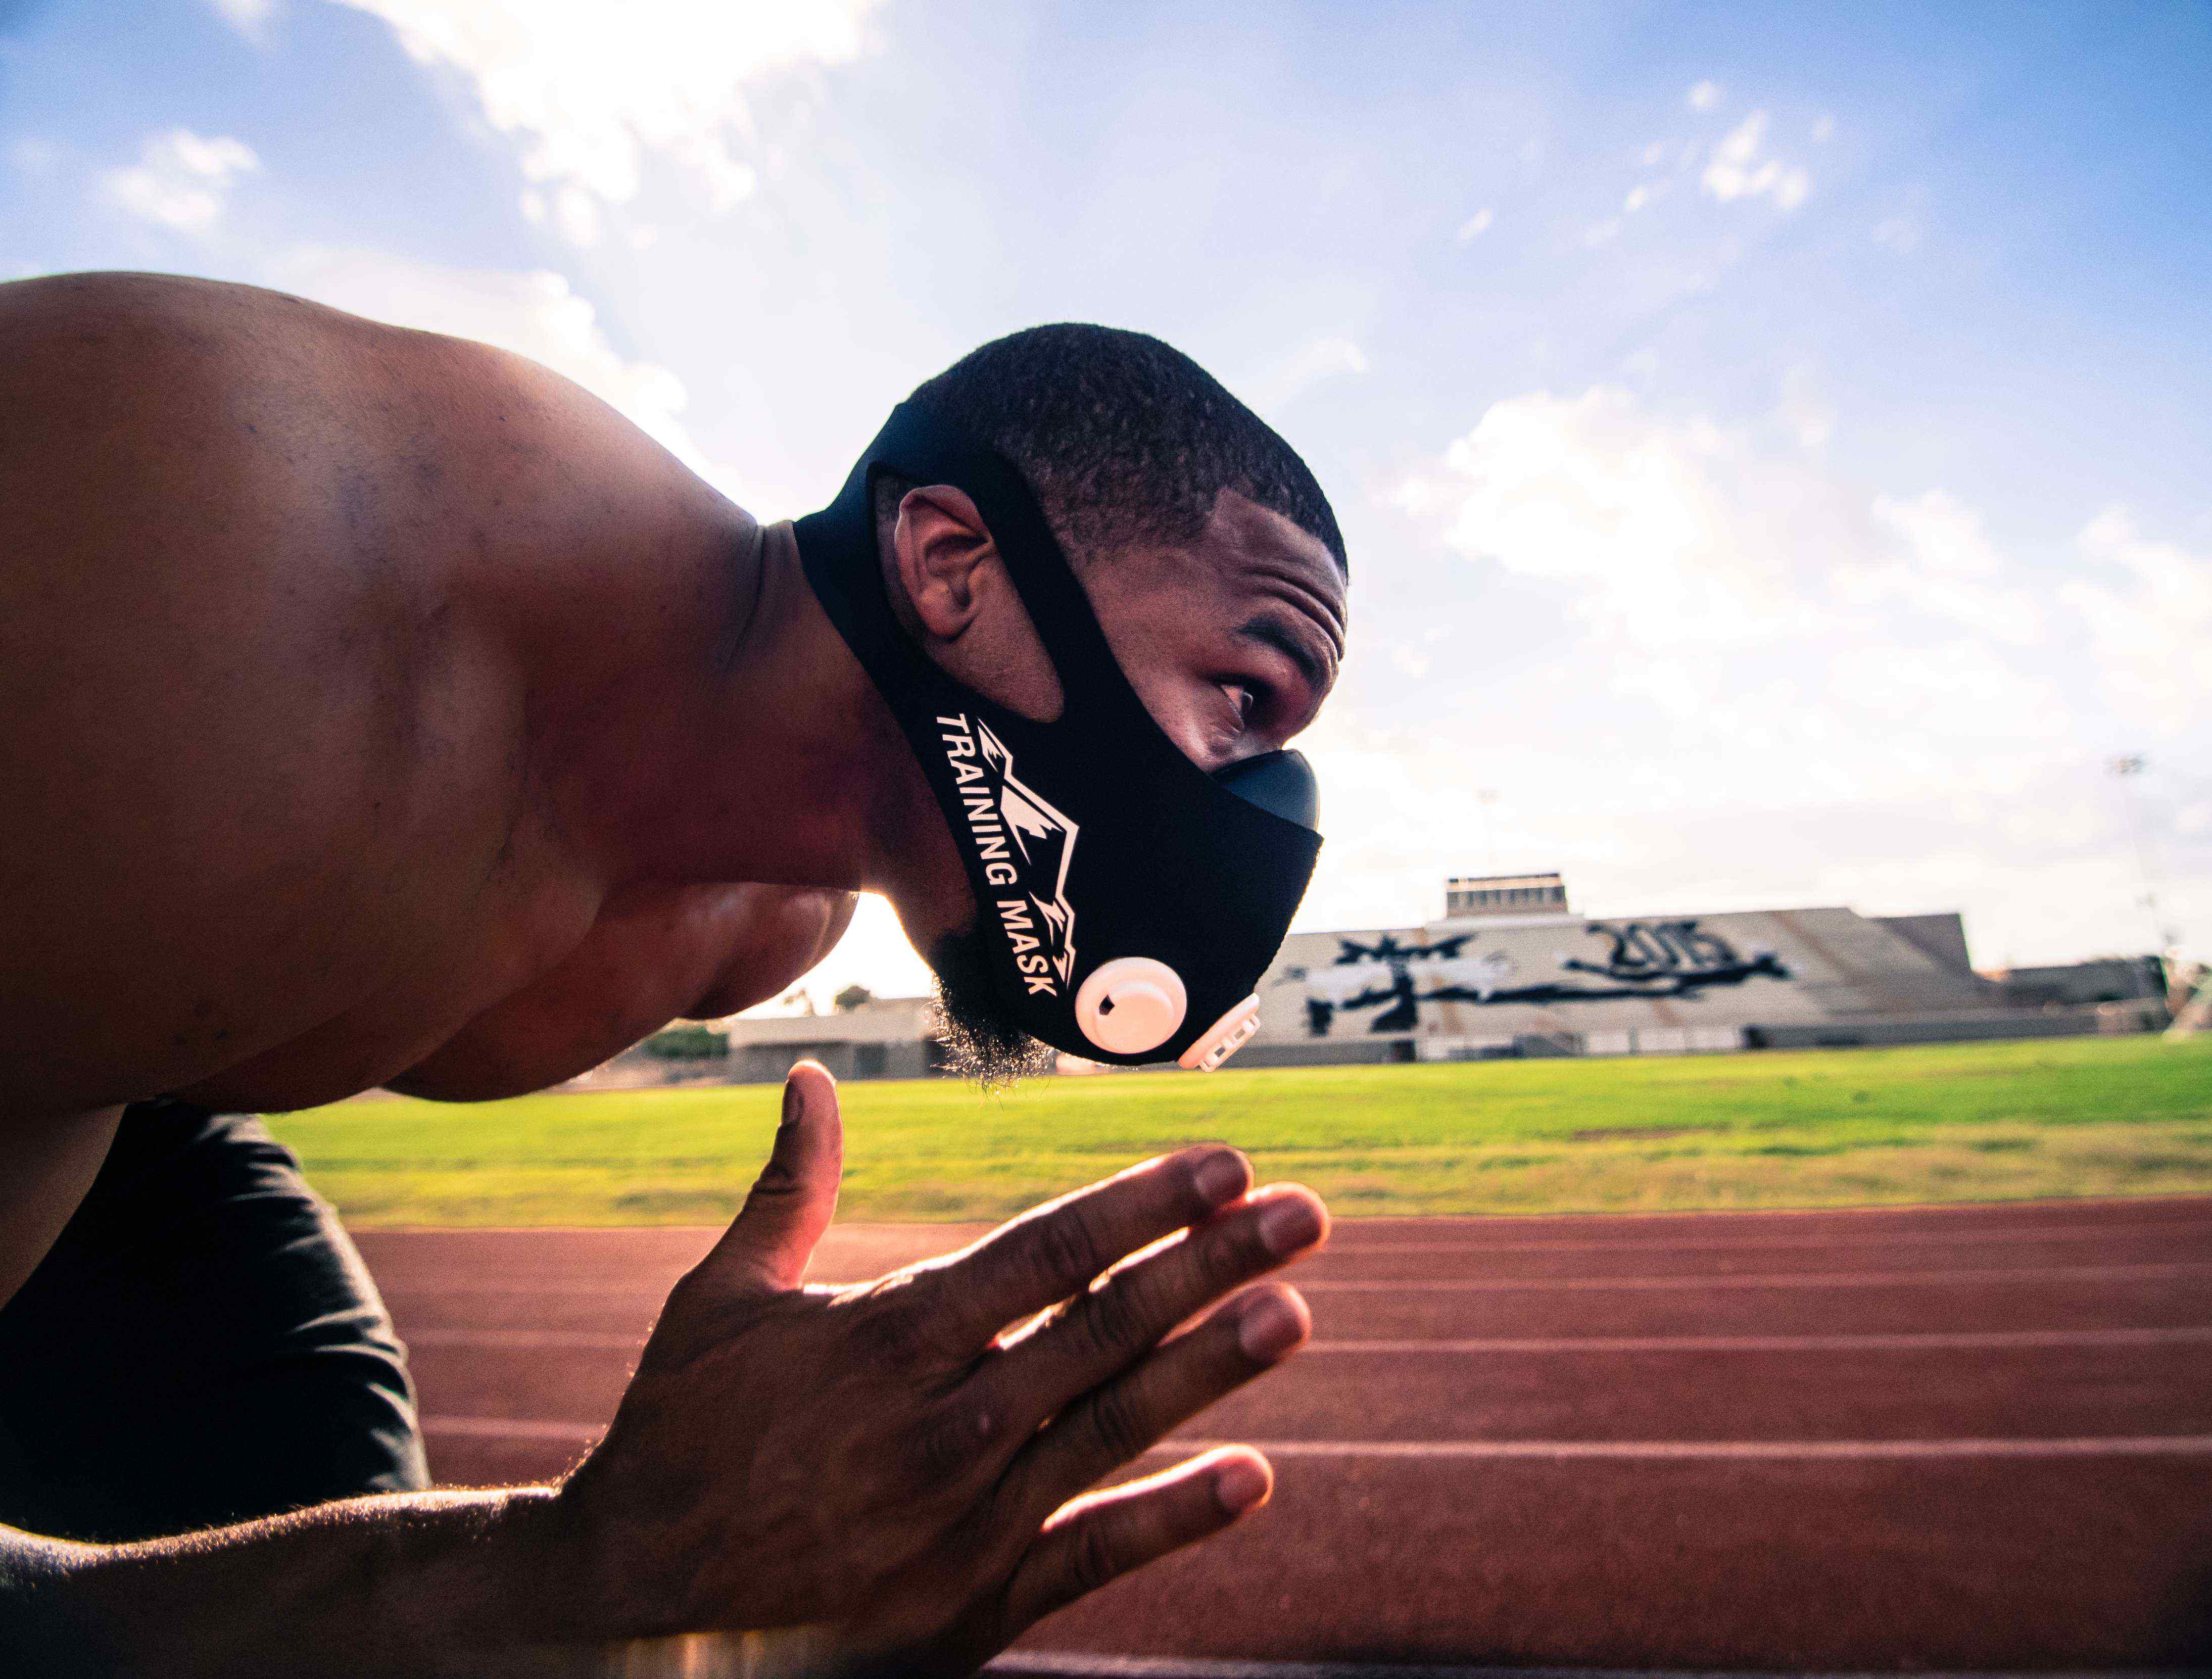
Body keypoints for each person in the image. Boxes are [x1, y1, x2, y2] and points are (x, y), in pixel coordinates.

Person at [0, 272, 1350, 1674]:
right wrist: (572, 1570)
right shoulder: (243, 628)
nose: (1256, 813)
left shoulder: (766, 923)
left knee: (322, 1502)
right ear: (954, 567)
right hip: (89, 949)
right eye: (1247, 694)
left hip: (124, 1065)